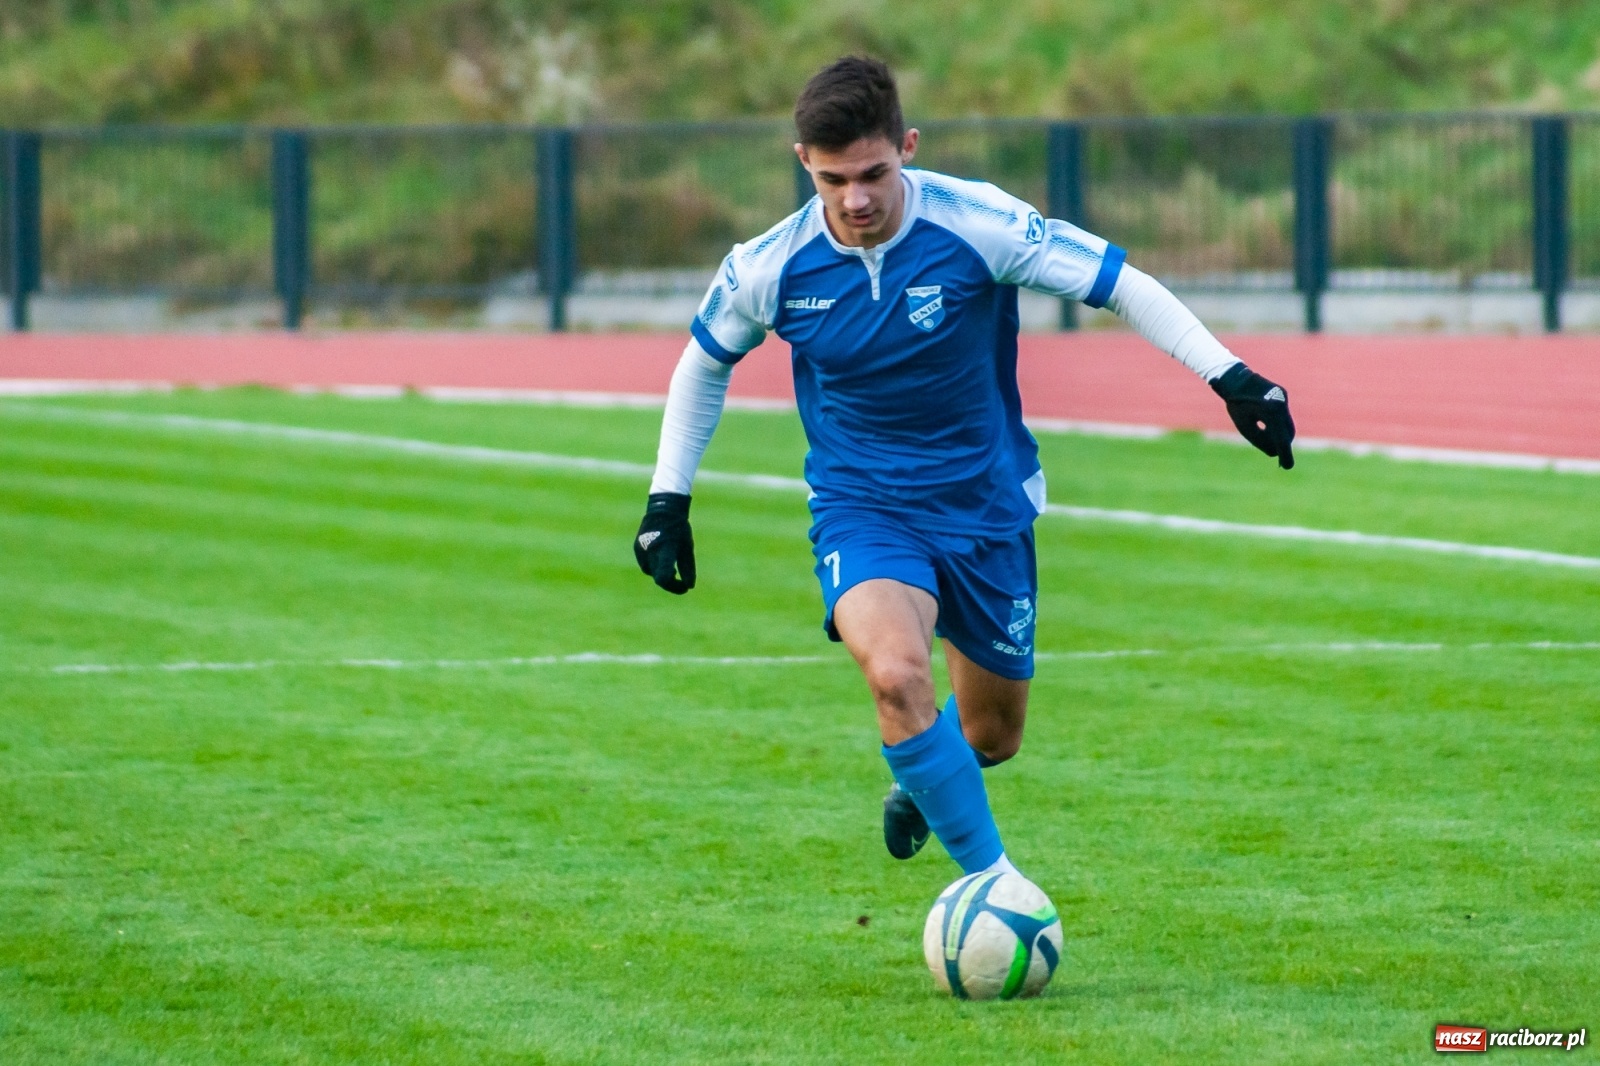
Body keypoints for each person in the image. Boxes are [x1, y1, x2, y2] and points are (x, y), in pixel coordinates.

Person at [633, 56, 1295, 879]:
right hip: (864, 508)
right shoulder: (768, 266)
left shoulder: (978, 223)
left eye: (874, 173)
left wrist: (1230, 377)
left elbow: (1120, 285)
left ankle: (926, 777)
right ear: (803, 161)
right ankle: (998, 885)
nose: (857, 199)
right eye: (833, 179)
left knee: (990, 735)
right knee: (896, 677)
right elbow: (702, 365)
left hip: (985, 510)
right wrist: (669, 500)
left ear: (907, 147)